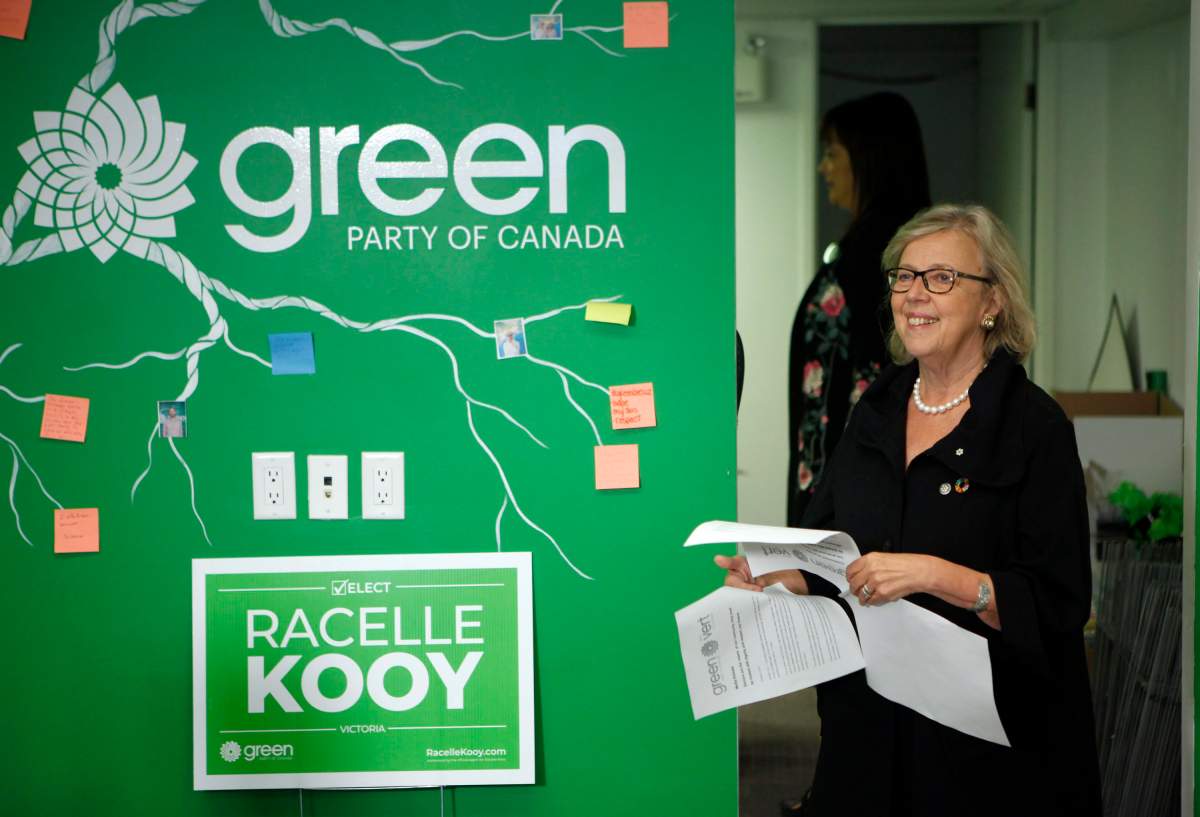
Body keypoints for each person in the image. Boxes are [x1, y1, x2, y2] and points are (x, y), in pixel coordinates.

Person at [721, 204, 1101, 815]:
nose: (915, 294)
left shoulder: (1034, 427)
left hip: (985, 752)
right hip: (867, 731)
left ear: (992, 302)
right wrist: (778, 576)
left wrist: (933, 575)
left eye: (942, 277)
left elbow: (1060, 603)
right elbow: (829, 547)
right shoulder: (876, 409)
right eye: (905, 276)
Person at [789, 93, 931, 526]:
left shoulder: (894, 253)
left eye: (832, 153)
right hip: (837, 467)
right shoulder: (863, 245)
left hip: (856, 480)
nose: (823, 168)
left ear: (869, 159)